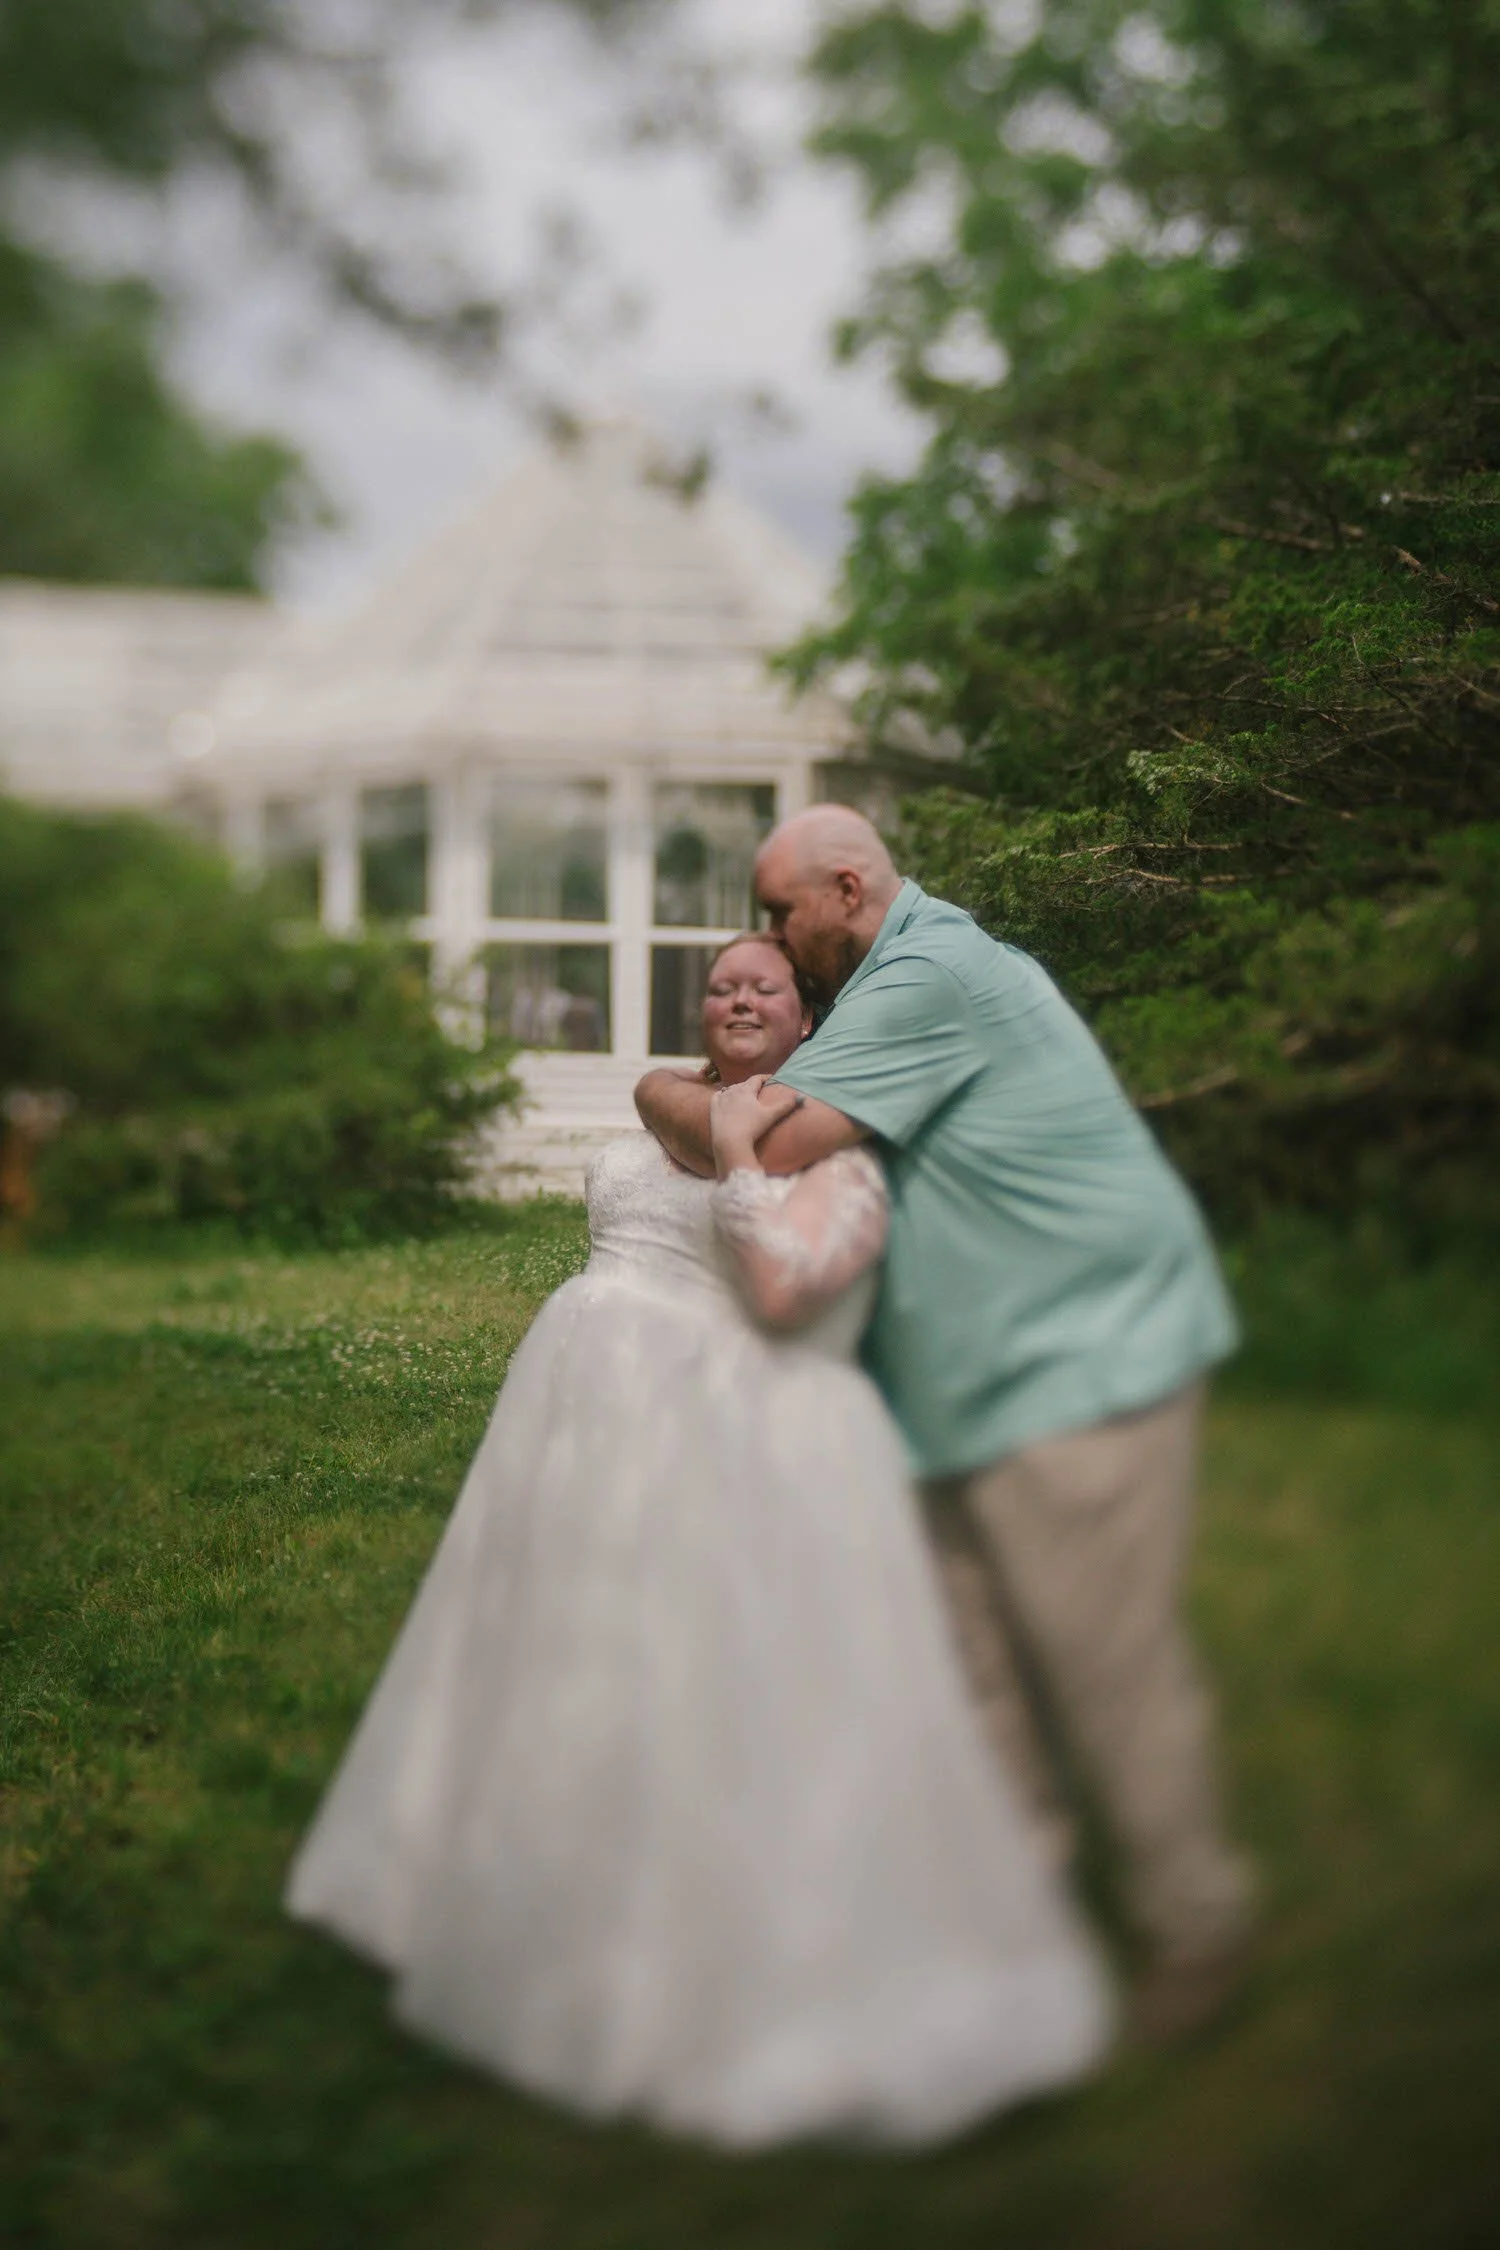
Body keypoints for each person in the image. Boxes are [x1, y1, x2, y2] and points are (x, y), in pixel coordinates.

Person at [287, 932, 1111, 2149]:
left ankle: (681, 1950)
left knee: (670, 1675)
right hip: (571, 1416)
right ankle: (484, 1883)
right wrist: (717, 1123)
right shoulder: (679, 1096)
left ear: (810, 1015)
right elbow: (659, 1122)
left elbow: (786, 1296)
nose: (734, 996)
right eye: (720, 984)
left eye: (762, 985)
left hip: (685, 1423)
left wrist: (738, 1158)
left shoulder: (832, 1138)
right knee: (530, 1647)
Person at [636, 810, 1256, 2043]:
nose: (766, 941)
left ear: (848, 888)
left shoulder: (931, 974)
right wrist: (700, 1101)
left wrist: (656, 1087)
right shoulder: (887, 979)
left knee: (1099, 1664)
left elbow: (760, 1147)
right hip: (966, 1391)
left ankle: (1199, 1926)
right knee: (975, 1667)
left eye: (778, 913)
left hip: (1080, 1365)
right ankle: (1015, 1927)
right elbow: (751, 1129)